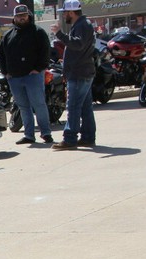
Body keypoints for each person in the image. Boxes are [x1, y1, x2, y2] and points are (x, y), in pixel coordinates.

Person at [0, 4, 54, 145]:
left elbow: (45, 52)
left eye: (24, 15)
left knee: (39, 104)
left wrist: (39, 68)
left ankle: (46, 133)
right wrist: (6, 72)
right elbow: (1, 55)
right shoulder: (8, 36)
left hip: (33, 76)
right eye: (19, 16)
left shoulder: (38, 32)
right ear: (14, 18)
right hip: (15, 78)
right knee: (23, 107)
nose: (22, 18)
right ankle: (29, 135)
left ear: (28, 16)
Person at [51, 0, 96, 150]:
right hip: (83, 72)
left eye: (65, 12)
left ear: (71, 12)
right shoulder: (83, 24)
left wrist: (59, 34)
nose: (64, 15)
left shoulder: (82, 25)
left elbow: (78, 44)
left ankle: (70, 139)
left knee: (74, 107)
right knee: (85, 107)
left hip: (79, 73)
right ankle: (88, 137)